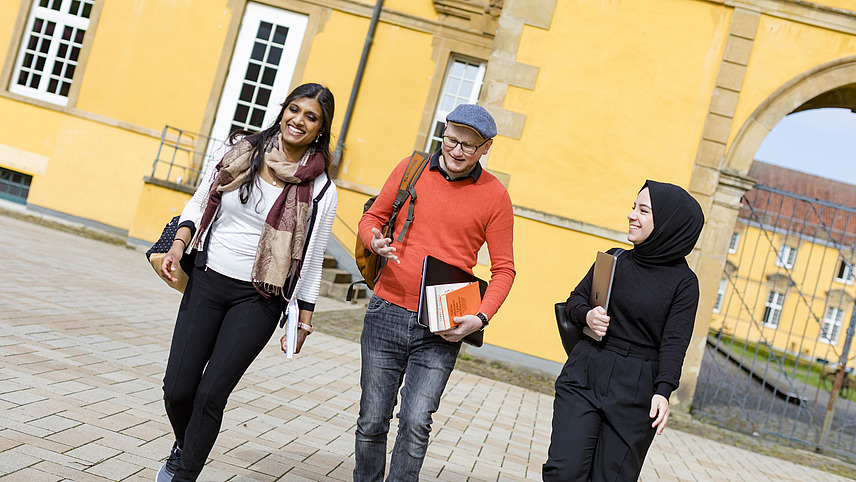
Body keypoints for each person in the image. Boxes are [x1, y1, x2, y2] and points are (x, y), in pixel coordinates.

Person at [155, 83, 338, 482]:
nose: (299, 120)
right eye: (294, 109)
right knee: (177, 388)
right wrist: (178, 245)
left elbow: (310, 259)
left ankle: (183, 473)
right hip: (207, 278)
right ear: (283, 110)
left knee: (210, 395)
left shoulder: (321, 188)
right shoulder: (240, 149)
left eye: (311, 117)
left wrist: (303, 317)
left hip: (260, 298)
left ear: (321, 130)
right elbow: (200, 200)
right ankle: (186, 444)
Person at [354, 104, 516, 481]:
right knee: (372, 419)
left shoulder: (495, 196)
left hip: (442, 325)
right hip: (387, 309)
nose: (456, 151)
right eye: (450, 140)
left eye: (467, 146)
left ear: (486, 148)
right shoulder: (411, 168)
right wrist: (373, 241)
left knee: (415, 422)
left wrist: (479, 318)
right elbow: (372, 218)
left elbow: (505, 269)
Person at [542, 180, 704, 481]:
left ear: (669, 224)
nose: (632, 215)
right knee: (563, 472)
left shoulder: (684, 283)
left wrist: (663, 391)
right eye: (633, 207)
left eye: (643, 210)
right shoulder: (614, 258)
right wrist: (588, 315)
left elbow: (675, 342)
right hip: (587, 370)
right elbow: (575, 301)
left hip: (637, 387)